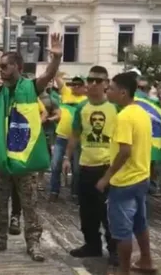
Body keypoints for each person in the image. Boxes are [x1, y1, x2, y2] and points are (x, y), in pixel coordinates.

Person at [0, 33, 63, 262]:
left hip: (24, 158)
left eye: (5, 66)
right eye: (0, 67)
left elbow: (48, 74)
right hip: (2, 158)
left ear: (18, 67)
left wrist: (56, 58)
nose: (1, 70)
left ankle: (34, 244)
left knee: (30, 204)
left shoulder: (30, 87)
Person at [99, 71, 155, 275]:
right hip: (141, 177)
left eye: (111, 88)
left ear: (123, 93)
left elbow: (124, 151)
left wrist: (107, 177)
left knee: (122, 231)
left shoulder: (123, 117)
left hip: (124, 181)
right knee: (140, 223)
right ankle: (146, 261)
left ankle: (123, 271)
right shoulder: (141, 112)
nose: (108, 91)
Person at [62, 65, 118, 265]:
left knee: (108, 212)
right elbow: (75, 135)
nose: (93, 84)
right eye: (90, 80)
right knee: (86, 211)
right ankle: (91, 244)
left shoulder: (115, 107)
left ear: (106, 83)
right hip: (86, 166)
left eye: (98, 80)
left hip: (107, 167)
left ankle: (114, 249)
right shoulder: (81, 108)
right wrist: (67, 158)